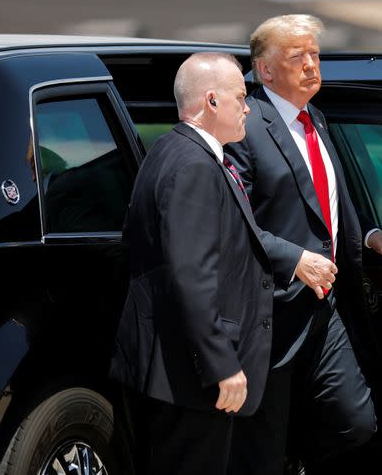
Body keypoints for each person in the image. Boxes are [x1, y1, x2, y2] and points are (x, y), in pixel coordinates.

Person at [225, 14, 382, 474]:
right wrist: (295, 258)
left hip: (324, 306)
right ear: (266, 70)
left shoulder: (314, 116)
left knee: (356, 421)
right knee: (261, 442)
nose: (313, 65)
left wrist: (371, 236)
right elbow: (233, 223)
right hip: (269, 311)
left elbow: (326, 200)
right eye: (298, 57)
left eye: (315, 55)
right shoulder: (246, 125)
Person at [109, 52, 276, 475]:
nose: (248, 108)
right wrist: (223, 364)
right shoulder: (195, 166)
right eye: (241, 97)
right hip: (189, 378)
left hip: (172, 369)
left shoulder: (168, 150)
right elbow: (192, 275)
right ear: (212, 102)